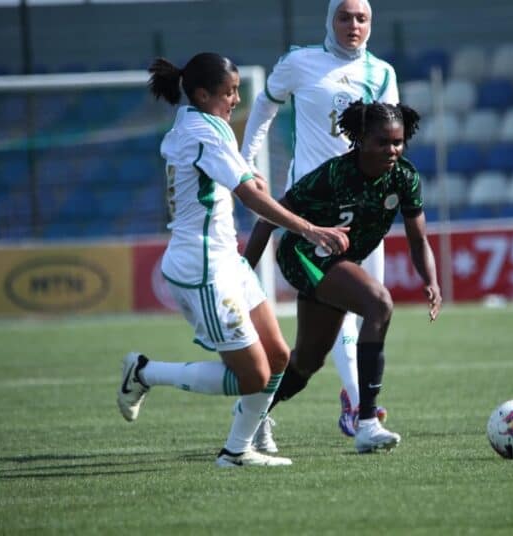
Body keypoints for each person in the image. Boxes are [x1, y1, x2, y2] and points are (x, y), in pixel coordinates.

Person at [116, 52, 350, 468]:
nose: (237, 99)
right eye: (229, 92)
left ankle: (237, 450)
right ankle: (145, 373)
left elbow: (222, 172)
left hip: (228, 261)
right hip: (203, 268)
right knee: (254, 376)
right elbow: (246, 195)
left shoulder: (201, 123)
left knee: (279, 357)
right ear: (203, 95)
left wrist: (245, 170)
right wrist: (308, 228)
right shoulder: (204, 131)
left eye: (238, 89)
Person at [240, 0, 400, 449]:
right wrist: (247, 161)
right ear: (329, 20)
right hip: (312, 213)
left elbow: (390, 138)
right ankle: (359, 408)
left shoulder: (383, 73)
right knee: (360, 306)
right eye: (345, 16)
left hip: (365, 214)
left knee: (360, 317)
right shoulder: (300, 63)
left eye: (362, 18)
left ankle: (264, 411)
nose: (354, 25)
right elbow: (264, 107)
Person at [243, 100, 442, 454]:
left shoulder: (405, 178)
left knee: (307, 362)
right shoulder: (332, 175)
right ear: (361, 139)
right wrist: (243, 277)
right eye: (382, 142)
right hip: (302, 256)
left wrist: (431, 279)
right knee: (378, 303)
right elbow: (266, 220)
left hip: (340, 263)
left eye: (397, 142)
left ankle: (251, 414)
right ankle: (367, 422)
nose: (392, 150)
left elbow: (419, 239)